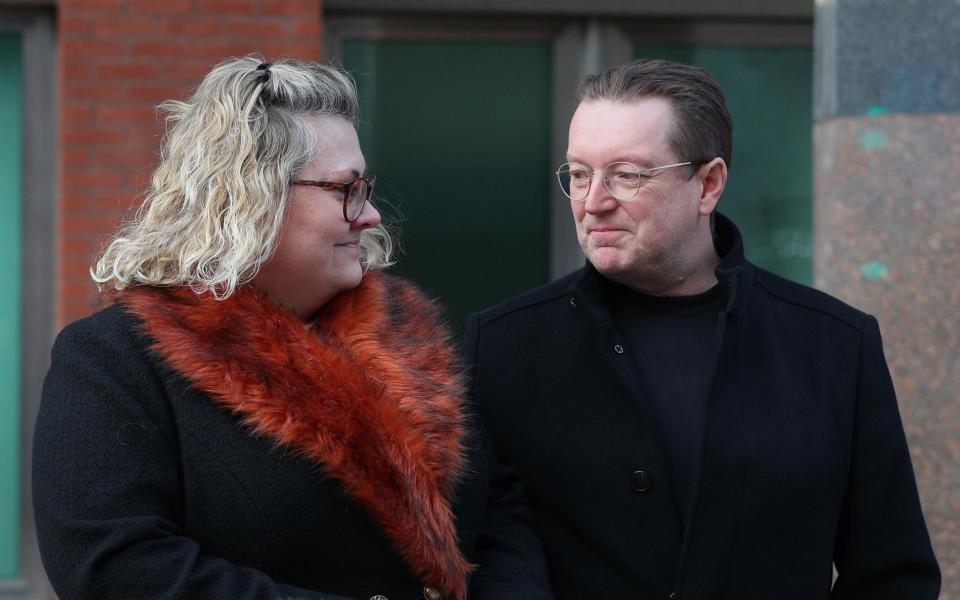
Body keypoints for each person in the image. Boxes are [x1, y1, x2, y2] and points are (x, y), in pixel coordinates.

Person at [34, 55, 552, 600]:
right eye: (345, 189)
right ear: (253, 197)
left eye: (366, 187)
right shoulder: (116, 360)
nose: (371, 214)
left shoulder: (409, 339)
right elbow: (113, 566)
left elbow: (496, 511)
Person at [465, 58, 940, 599]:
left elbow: (893, 575)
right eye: (578, 174)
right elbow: (479, 553)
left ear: (708, 184)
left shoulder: (834, 345)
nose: (592, 202)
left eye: (627, 175)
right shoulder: (503, 346)